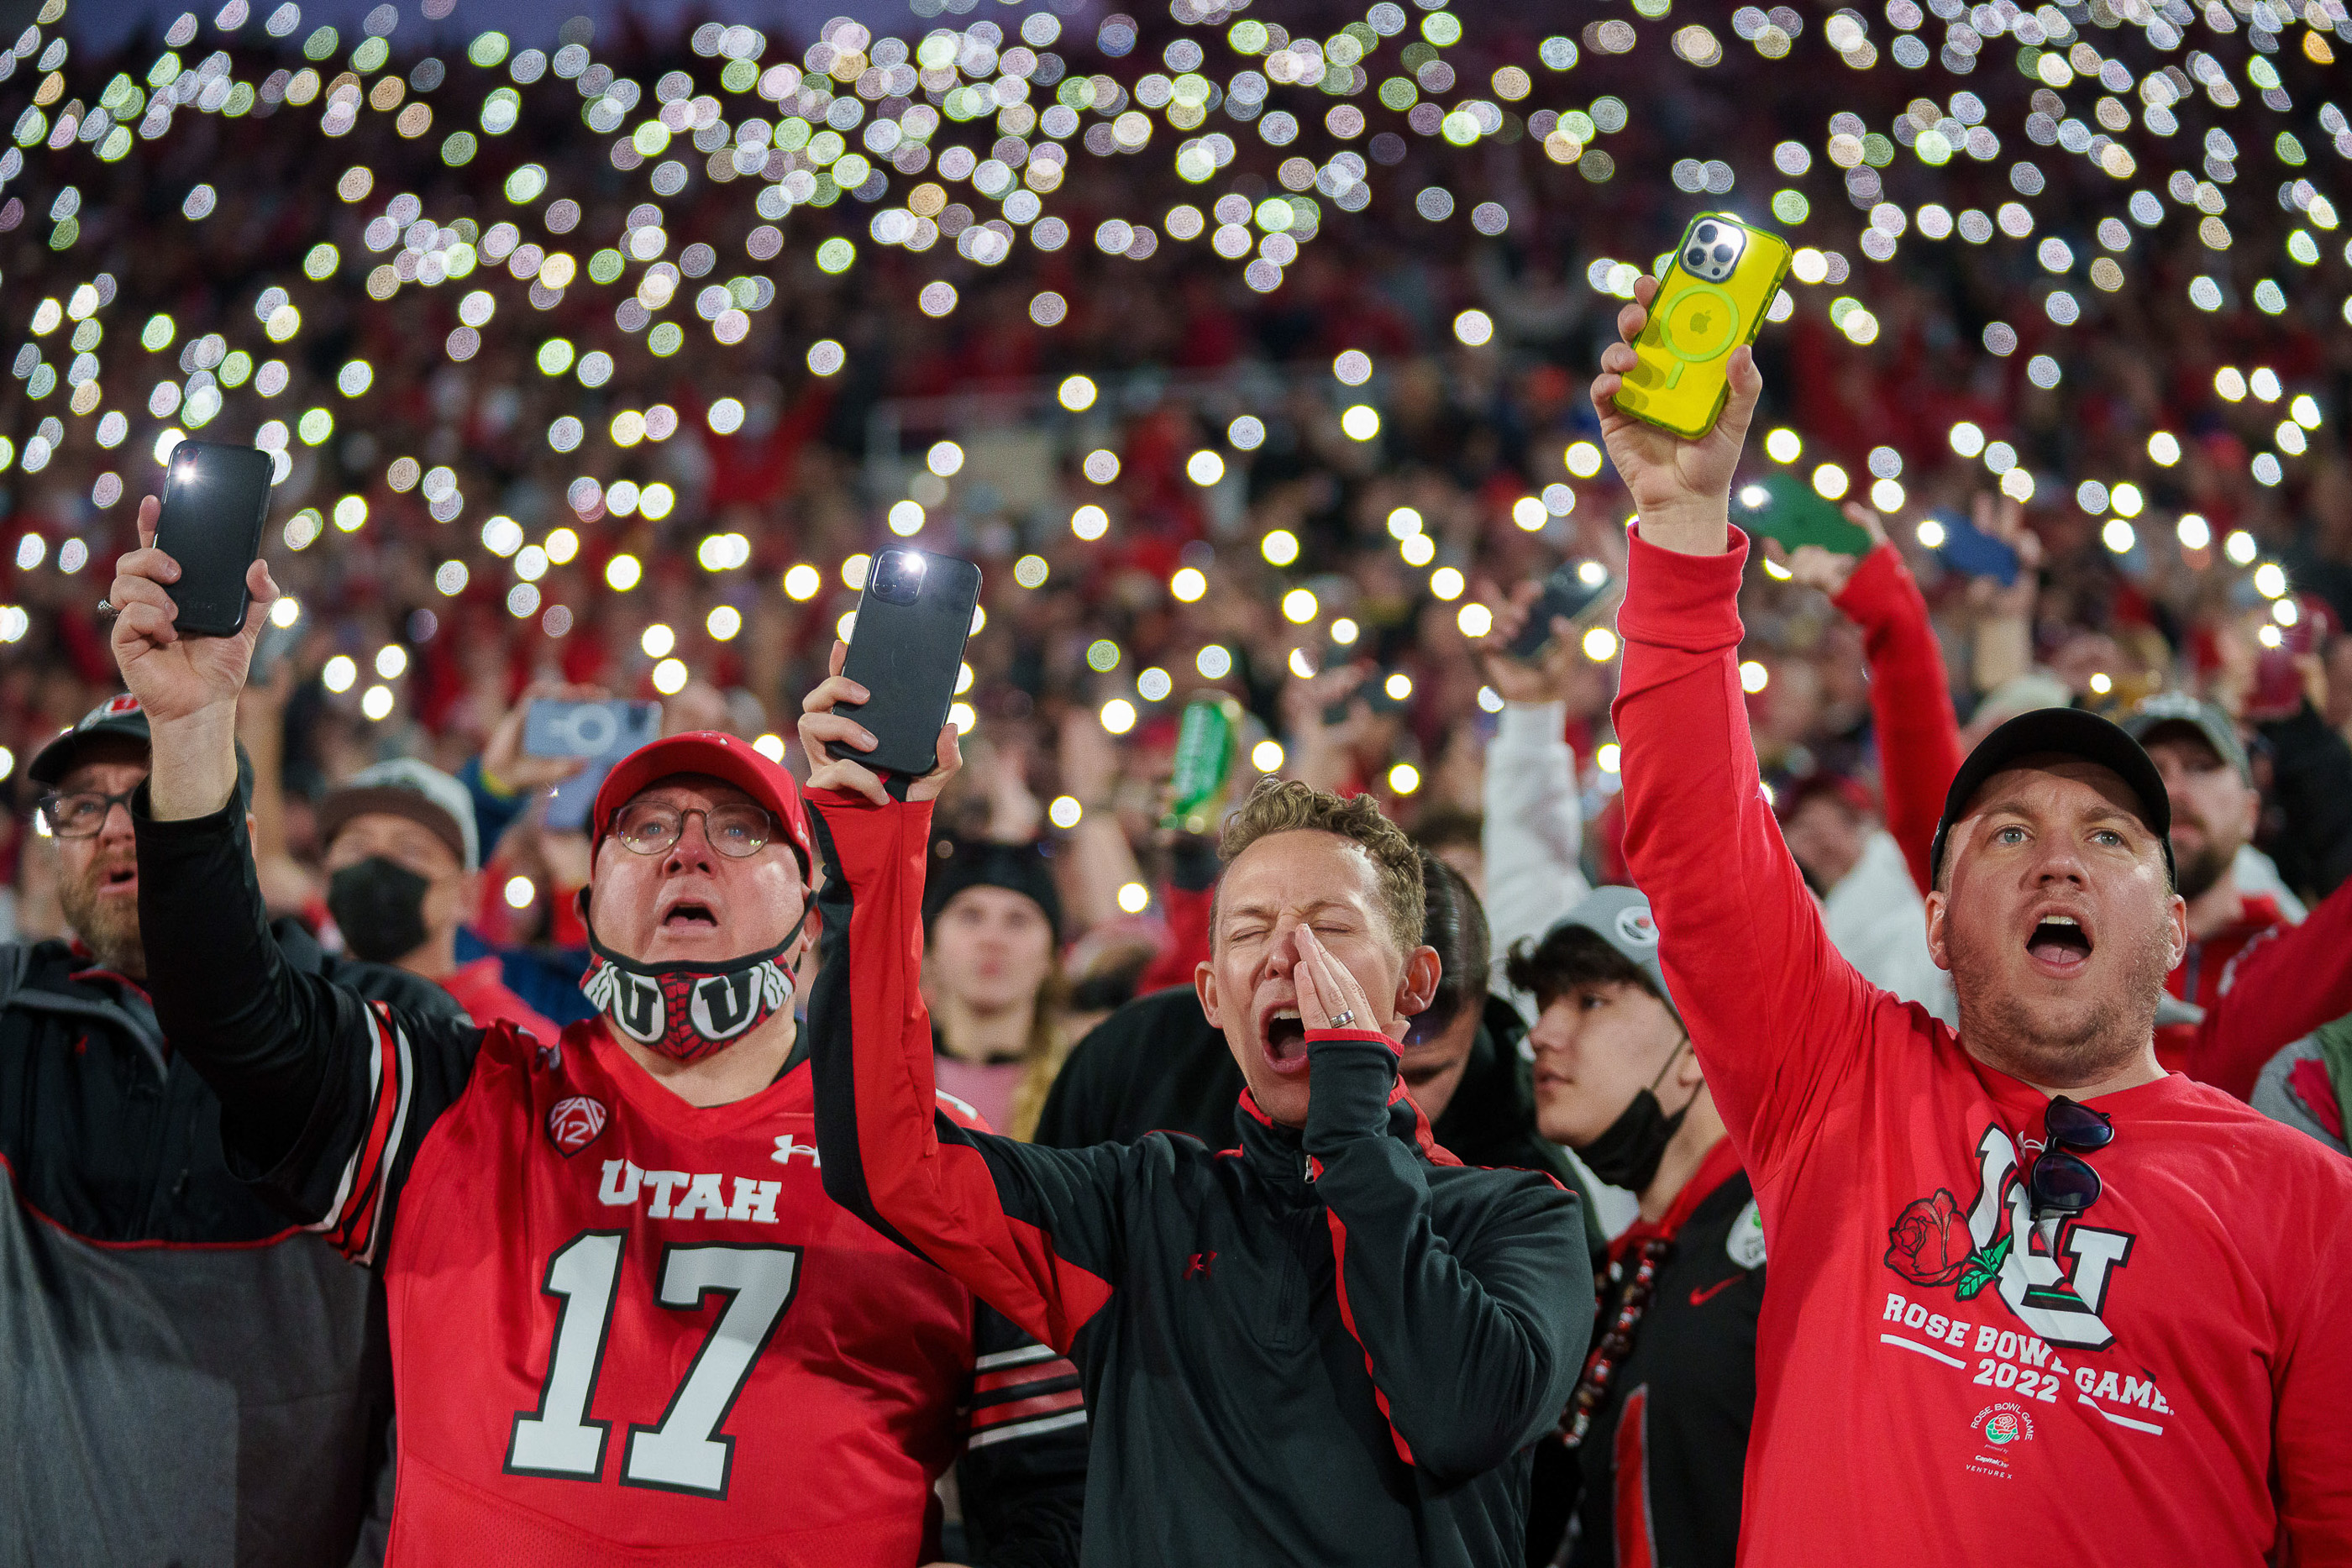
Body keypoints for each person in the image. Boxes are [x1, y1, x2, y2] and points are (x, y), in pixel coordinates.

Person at [107, 505, 1086, 1565]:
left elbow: (1050, 1498)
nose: (689, 851)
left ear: (810, 917)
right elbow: (232, 1013)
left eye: (741, 829)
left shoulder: (934, 1176)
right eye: (647, 826)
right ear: (585, 910)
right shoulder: (462, 1105)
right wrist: (195, 728)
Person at [1593, 280, 2352, 1557]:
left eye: (2107, 836)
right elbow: (1698, 849)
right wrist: (1676, 522)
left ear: (2172, 926)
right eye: (2008, 833)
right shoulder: (1837, 1080)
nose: (2058, 860)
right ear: (1937, 923)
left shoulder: (2311, 1202)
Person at [801, 651, 1592, 1566]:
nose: (1288, 955)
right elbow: (887, 1158)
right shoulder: (1139, 1205)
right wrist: (875, 844)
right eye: (1252, 930)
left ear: (1414, 983)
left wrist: (1353, 1130)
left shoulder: (1520, 1216)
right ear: (1213, 996)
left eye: (1331, 926)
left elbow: (1457, 1414)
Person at [0, 694, 451, 1567]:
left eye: (153, 792)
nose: (115, 829)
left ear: (233, 830)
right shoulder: (12, 1013)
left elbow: (446, 1354)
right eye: (83, 804)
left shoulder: (389, 1025)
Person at [1034, 850, 1592, 1209]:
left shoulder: (1526, 1182)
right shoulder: (1139, 1054)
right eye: (1340, 1046)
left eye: (1423, 1073)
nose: (1382, 1094)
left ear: (1474, 1028)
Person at [1509, 889, 1760, 1568]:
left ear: (1694, 1040)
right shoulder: (1624, 1265)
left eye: (1590, 1000)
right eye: (1545, 1003)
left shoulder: (1790, 1248)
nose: (1541, 1034)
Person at [2118, 692, 2352, 1098]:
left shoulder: (2303, 965)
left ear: (2251, 813)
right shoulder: (2063, 959)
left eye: (2201, 767)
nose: (2173, 789)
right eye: (2151, 768)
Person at [319, 758, 561, 1039]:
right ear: (326, 876)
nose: (376, 863)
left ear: (468, 894)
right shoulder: (295, 1017)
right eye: (355, 845)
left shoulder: (519, 1048)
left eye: (410, 850)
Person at [924, 837, 1069, 1141]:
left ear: (1051, 958)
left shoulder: (1078, 1089)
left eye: (1018, 921)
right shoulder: (886, 1079)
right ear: (931, 948)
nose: (992, 938)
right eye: (971, 916)